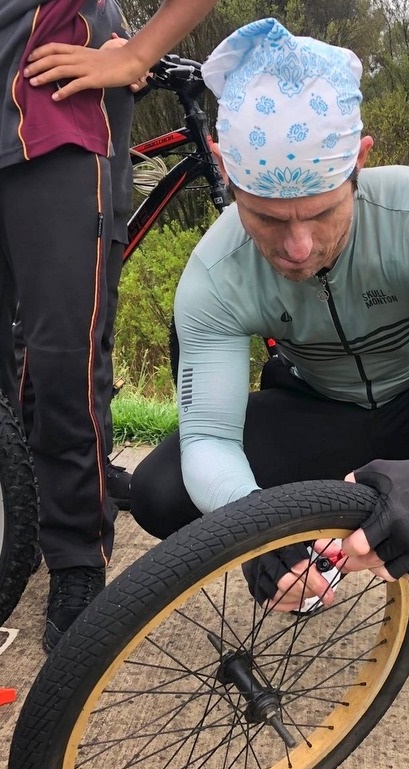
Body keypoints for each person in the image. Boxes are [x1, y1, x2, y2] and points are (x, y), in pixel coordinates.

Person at [130, 17, 409, 645]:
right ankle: (302, 563)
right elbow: (208, 439)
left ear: (359, 162)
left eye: (322, 213)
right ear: (224, 171)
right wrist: (251, 526)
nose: (297, 247)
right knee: (159, 491)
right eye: (265, 218)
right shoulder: (214, 273)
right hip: (318, 407)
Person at [0, 0, 217, 653]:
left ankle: (75, 557)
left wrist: (136, 53)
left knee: (62, 354)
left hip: (52, 115)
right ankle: (16, 524)